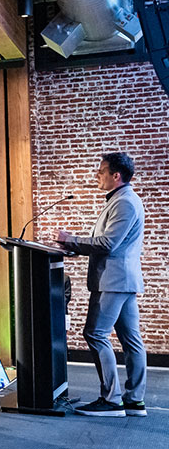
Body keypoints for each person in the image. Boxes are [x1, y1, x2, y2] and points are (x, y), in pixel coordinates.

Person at [56, 151, 147, 417]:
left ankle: (111, 400)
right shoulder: (122, 200)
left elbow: (108, 243)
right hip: (122, 280)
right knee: (131, 341)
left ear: (116, 175)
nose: (97, 175)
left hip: (114, 281)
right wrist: (75, 247)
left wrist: (71, 239)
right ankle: (134, 401)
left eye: (101, 170)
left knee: (95, 334)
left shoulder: (125, 202)